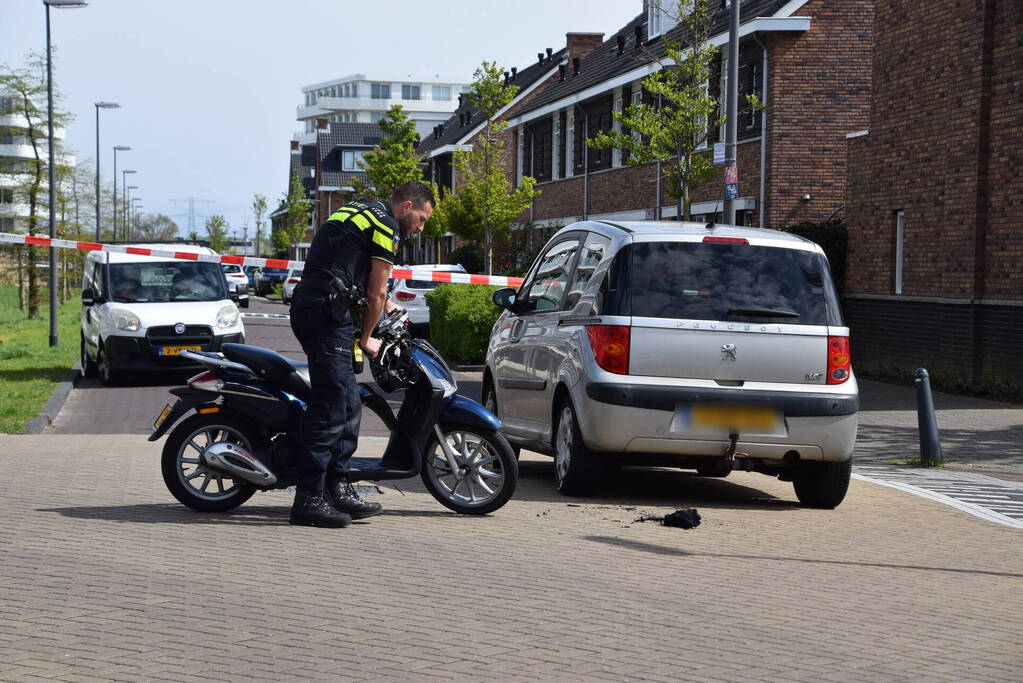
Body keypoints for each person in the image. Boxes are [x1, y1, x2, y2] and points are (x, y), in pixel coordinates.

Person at [288, 181, 434, 528]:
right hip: (326, 314)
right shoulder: (385, 225)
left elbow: (350, 271)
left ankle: (337, 487)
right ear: (406, 206)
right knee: (332, 405)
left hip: (315, 305)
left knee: (351, 403)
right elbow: (375, 290)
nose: (420, 226)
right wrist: (367, 337)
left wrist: (387, 304)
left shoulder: (358, 211)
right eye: (422, 218)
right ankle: (309, 498)